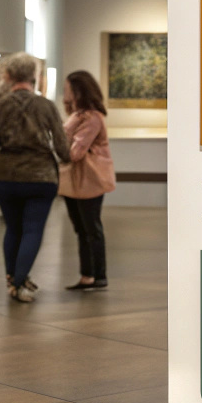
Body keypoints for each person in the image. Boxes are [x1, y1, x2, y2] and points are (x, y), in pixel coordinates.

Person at [0, 52, 70, 303]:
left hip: (4, 176)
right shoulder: (46, 106)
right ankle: (19, 283)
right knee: (32, 229)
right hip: (40, 177)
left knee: (13, 229)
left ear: (7, 76)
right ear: (35, 77)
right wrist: (69, 157)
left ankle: (14, 279)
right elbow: (62, 146)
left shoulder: (0, 106)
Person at [59, 70, 115, 291]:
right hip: (75, 181)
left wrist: (60, 146)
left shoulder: (91, 117)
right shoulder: (77, 116)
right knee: (82, 229)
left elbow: (75, 152)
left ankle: (99, 275)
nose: (65, 93)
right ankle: (87, 275)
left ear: (79, 91)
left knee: (91, 228)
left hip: (89, 180)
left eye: (68, 89)